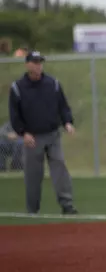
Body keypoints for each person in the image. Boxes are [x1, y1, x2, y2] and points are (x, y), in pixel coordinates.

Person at [8, 51, 78, 214]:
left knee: (60, 168)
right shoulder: (18, 88)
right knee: (33, 175)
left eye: (40, 62)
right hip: (32, 137)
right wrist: (23, 132)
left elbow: (63, 106)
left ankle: (67, 205)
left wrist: (67, 122)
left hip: (53, 134)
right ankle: (32, 210)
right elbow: (14, 114)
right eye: (35, 62)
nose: (38, 65)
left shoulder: (52, 84)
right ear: (27, 65)